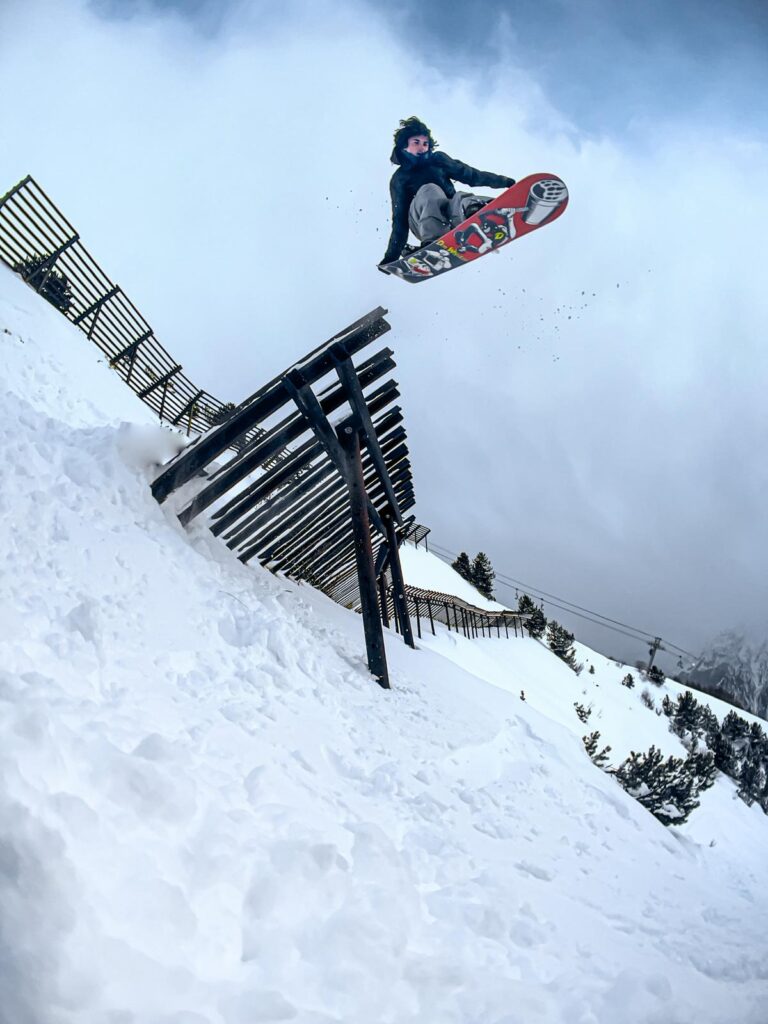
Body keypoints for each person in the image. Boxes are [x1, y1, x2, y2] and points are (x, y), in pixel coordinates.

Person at [379, 116, 516, 268]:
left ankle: (483, 212)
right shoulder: (399, 178)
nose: (422, 147)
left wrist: (503, 182)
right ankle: (433, 241)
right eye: (416, 143)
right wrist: (391, 256)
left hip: (453, 218)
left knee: (459, 197)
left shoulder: (438, 160)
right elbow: (400, 220)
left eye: (425, 143)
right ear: (404, 146)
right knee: (429, 190)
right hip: (423, 225)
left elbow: (471, 175)